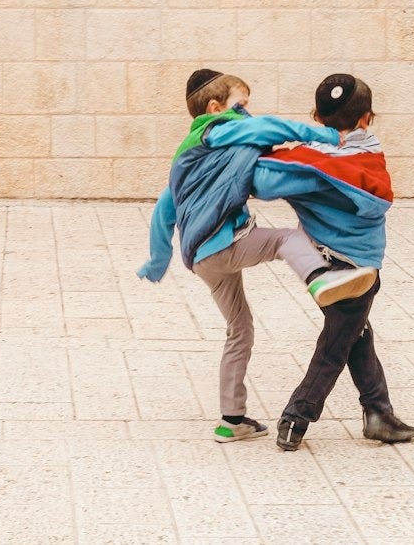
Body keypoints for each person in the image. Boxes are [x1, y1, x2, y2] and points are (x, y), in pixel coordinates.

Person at [136, 69, 377, 443]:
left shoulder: (186, 159)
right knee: (285, 240)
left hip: (202, 260)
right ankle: (320, 278)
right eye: (242, 105)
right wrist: (326, 135)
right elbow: (265, 129)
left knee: (239, 330)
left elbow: (163, 211)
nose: (247, 113)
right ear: (215, 108)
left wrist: (156, 262)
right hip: (228, 242)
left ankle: (232, 420)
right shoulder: (217, 130)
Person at [250, 73, 414, 451]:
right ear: (366, 118)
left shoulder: (307, 164)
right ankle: (297, 416)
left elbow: (261, 180)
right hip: (359, 271)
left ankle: (379, 413)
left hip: (320, 269)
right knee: (336, 344)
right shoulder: (370, 156)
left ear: (315, 115)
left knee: (355, 332)